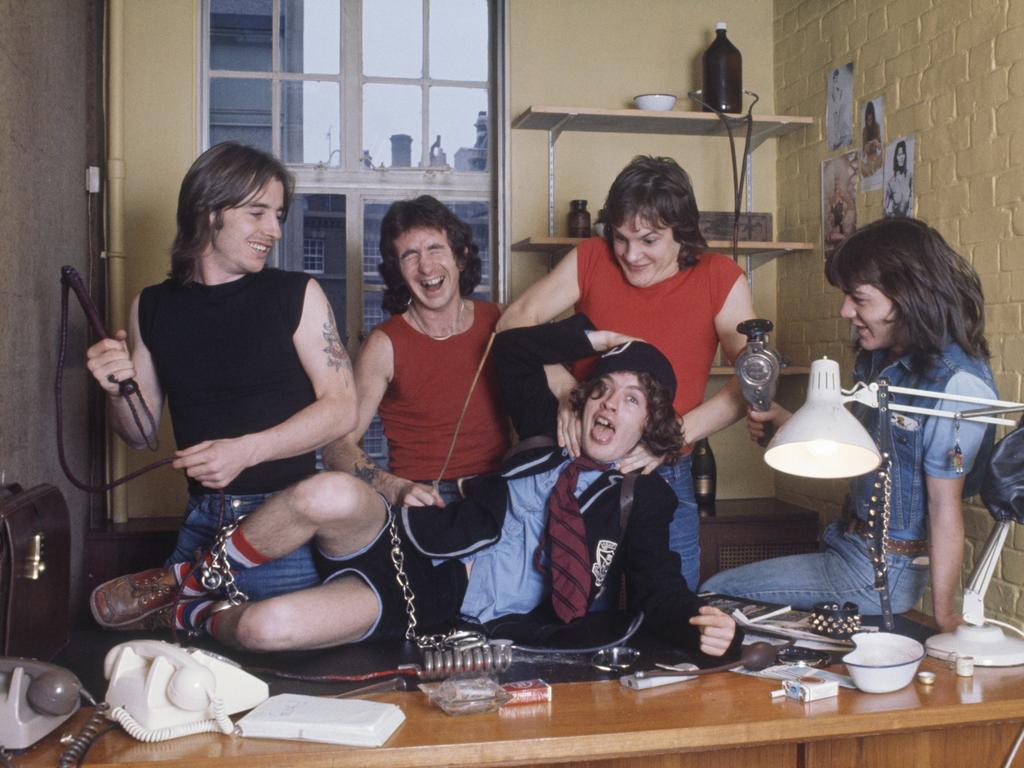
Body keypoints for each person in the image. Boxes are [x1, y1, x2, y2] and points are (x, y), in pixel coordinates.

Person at [90, 314, 741, 657]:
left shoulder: (642, 497)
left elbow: (660, 585)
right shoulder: (549, 432)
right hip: (413, 536)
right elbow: (512, 347)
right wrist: (599, 340)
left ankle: (189, 615)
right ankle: (188, 577)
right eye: (604, 389)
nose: (608, 406)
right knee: (326, 494)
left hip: (435, 606)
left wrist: (695, 624)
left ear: (649, 425)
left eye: (631, 401)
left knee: (267, 629)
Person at [88, 142, 358, 628]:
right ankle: (195, 604)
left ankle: (189, 604)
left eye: (277, 214)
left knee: (284, 667)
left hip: (283, 522)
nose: (274, 230)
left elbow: (342, 409)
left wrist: (247, 450)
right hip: (200, 523)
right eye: (257, 213)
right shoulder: (150, 306)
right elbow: (140, 433)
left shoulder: (295, 294)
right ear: (207, 211)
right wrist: (116, 389)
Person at [702, 218, 997, 633]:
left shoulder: (956, 384)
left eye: (859, 299)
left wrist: (946, 615)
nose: (845, 312)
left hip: (880, 571)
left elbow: (944, 507)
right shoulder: (881, 357)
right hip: (846, 543)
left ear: (909, 294)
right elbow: (867, 454)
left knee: (715, 594)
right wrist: (786, 427)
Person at [497, 156, 756, 590]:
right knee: (576, 613)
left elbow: (753, 382)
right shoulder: (592, 258)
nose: (631, 255)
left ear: (682, 232)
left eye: (649, 240)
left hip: (667, 472)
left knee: (670, 616)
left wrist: (670, 437)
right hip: (580, 467)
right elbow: (513, 324)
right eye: (621, 238)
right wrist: (567, 390)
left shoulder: (720, 276)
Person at [323, 196, 509, 507]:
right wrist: (393, 487)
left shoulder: (502, 322)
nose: (425, 266)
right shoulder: (384, 345)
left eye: (435, 249)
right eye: (410, 256)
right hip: (425, 499)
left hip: (501, 492)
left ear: (460, 257)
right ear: (398, 271)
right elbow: (337, 446)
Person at [884, 139, 913, 217]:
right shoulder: (891, 182)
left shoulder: (909, 178)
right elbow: (885, 209)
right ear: (896, 158)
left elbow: (911, 207)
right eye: (899, 155)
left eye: (903, 154)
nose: (901, 157)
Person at [860, 100, 883, 179]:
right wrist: (868, 145)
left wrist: (875, 143)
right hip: (868, 161)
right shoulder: (865, 131)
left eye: (870, 120)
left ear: (873, 118)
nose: (869, 123)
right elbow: (863, 153)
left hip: (876, 159)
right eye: (867, 120)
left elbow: (880, 147)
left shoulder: (877, 126)